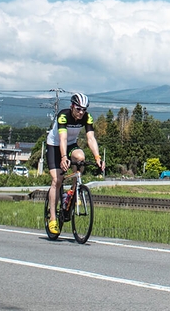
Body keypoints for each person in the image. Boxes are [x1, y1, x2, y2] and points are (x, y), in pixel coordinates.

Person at [45, 92, 103, 236]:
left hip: (71, 144)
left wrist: (97, 157)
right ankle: (52, 219)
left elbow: (91, 138)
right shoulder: (63, 116)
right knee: (57, 180)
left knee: (81, 158)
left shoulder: (87, 117)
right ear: (72, 106)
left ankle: (71, 193)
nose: (81, 112)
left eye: (84, 109)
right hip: (55, 145)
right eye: (78, 109)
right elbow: (62, 138)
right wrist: (64, 157)